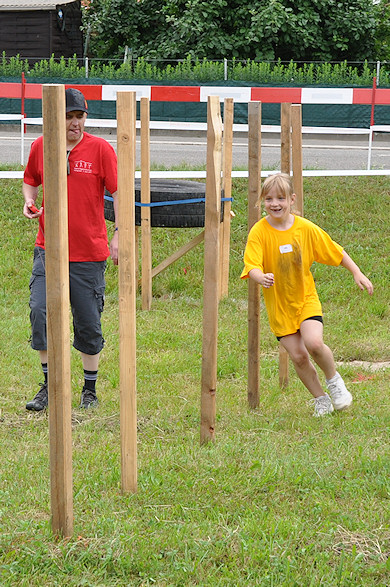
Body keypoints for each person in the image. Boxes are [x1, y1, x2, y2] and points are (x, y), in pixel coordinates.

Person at [241, 173, 373, 417]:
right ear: (262, 201)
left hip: (305, 299)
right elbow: (252, 264)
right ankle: (320, 399)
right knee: (299, 356)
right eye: (269, 199)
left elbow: (335, 250)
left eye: (281, 198)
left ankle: (334, 382)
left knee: (313, 344)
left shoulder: (305, 229)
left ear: (292, 199)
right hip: (279, 307)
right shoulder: (259, 232)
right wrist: (260, 276)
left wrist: (356, 272)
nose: (275, 203)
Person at [23, 88, 118, 411]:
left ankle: (89, 390)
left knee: (88, 321)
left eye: (79, 116)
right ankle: (48, 386)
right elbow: (30, 179)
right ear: (54, 119)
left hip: (88, 253)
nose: (75, 123)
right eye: (68, 117)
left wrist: (118, 234)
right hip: (48, 249)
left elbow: (118, 193)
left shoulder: (100, 149)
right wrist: (29, 201)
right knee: (40, 312)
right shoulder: (41, 146)